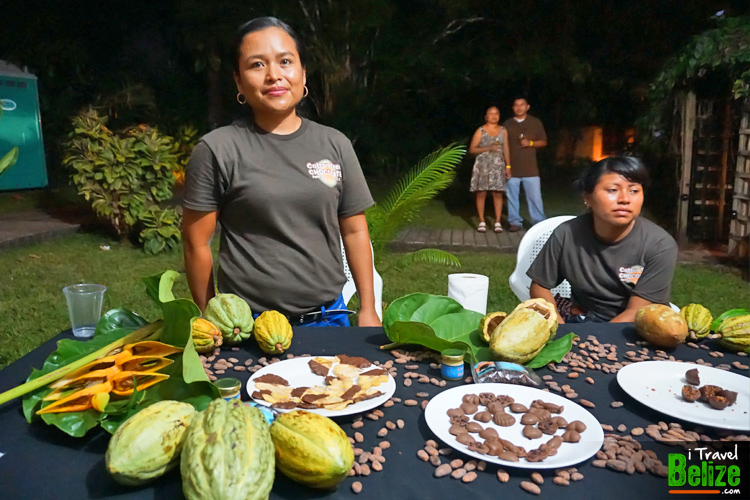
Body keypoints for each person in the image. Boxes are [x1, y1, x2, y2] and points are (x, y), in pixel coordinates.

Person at [181, 17, 381, 327]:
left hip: (328, 318)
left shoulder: (334, 144)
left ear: (302, 73)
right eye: (257, 65)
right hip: (248, 324)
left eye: (285, 61)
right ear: (238, 82)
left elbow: (355, 231)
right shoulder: (218, 149)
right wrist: (211, 318)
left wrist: (368, 308)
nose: (274, 75)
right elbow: (196, 243)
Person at [527, 156, 678, 323]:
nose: (625, 199)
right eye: (613, 190)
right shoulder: (566, 234)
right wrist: (561, 330)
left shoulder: (659, 245)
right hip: (582, 319)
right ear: (588, 198)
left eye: (634, 191)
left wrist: (597, 343)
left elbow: (637, 311)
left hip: (636, 327)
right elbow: (539, 286)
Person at [502, 97, 547, 232]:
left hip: (530, 168)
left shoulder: (535, 122)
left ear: (527, 107)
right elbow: (503, 146)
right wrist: (507, 166)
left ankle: (539, 223)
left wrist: (531, 143)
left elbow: (544, 142)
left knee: (535, 198)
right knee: (512, 197)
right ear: (513, 107)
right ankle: (515, 222)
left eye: (522, 105)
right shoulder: (507, 124)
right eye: (516, 105)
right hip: (512, 168)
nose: (519, 107)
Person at [468, 106, 511, 233]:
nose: (494, 116)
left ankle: (497, 221)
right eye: (491, 114)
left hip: (498, 166)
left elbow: (506, 149)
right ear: (486, 116)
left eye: (496, 113)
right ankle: (482, 221)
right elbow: (472, 149)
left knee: (498, 192)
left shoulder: (503, 131)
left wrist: (508, 166)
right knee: (481, 192)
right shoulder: (480, 130)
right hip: (483, 165)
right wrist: (488, 148)